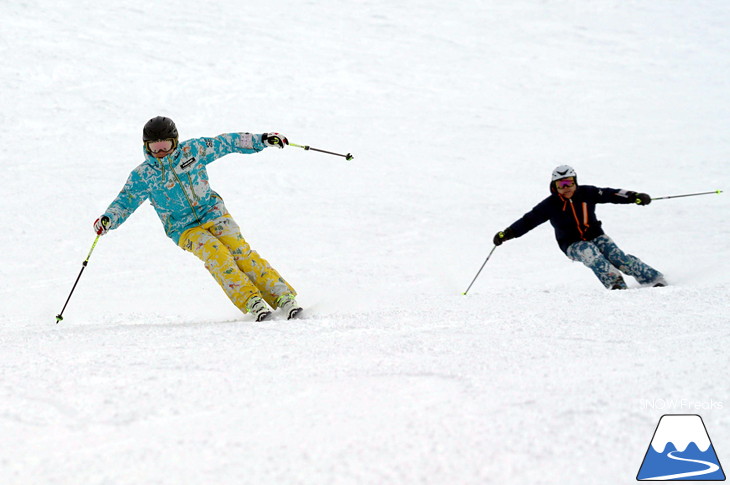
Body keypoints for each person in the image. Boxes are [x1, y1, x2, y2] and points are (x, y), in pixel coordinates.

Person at [93, 116, 302, 321]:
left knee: (240, 252)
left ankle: (282, 296)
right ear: (146, 147)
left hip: (213, 212)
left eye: (165, 145)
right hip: (183, 228)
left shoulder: (193, 150)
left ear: (175, 142)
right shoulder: (144, 175)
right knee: (217, 254)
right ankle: (251, 300)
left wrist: (262, 139)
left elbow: (226, 143)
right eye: (154, 148)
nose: (161, 152)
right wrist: (108, 219)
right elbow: (125, 201)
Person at [492, 165, 667, 290]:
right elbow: (528, 220)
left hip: (596, 234)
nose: (566, 188)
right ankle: (616, 285)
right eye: (561, 185)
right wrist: (507, 234)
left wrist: (634, 196)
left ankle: (653, 279)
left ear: (575, 182)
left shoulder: (587, 193)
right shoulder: (550, 204)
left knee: (618, 257)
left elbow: (611, 194)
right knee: (590, 253)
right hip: (571, 243)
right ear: (554, 187)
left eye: (569, 182)